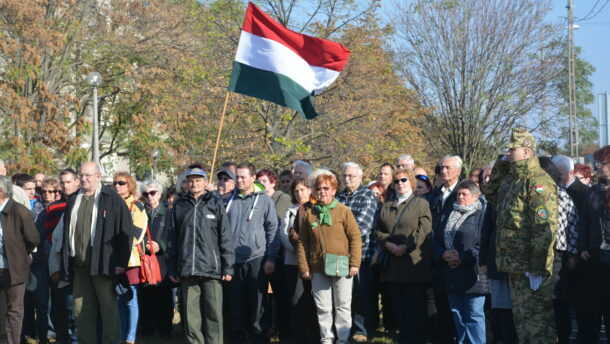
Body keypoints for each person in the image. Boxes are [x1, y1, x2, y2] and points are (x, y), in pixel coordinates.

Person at [485, 128, 558, 344]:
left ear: (526, 152)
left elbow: (544, 228)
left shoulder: (538, 182)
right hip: (514, 264)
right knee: (523, 325)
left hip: (530, 266)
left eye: (512, 150)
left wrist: (537, 267)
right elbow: (490, 194)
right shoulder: (511, 179)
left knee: (538, 327)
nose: (508, 153)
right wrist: (501, 163)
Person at [57, 162, 134, 344]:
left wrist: (121, 263)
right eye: (81, 175)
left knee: (108, 309)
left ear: (98, 176)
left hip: (103, 264)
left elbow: (126, 231)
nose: (84, 179)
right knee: (81, 310)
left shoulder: (111, 198)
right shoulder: (74, 199)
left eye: (88, 175)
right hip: (79, 265)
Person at [167, 167, 234, 344]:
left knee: (214, 314)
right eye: (191, 180)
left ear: (205, 182)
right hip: (187, 268)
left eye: (198, 180)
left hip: (212, 268)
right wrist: (173, 267)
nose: (194, 183)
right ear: (186, 183)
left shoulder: (215, 203)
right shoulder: (179, 205)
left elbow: (225, 236)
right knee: (190, 316)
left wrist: (228, 266)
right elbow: (172, 238)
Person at [296, 170, 362, 344]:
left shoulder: (344, 211)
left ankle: (343, 338)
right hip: (317, 267)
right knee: (323, 307)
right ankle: (326, 338)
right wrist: (304, 267)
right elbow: (303, 243)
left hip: (342, 266)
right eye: (319, 189)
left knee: (342, 305)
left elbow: (355, 237)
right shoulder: (310, 214)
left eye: (326, 188)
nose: (322, 192)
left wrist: (354, 263)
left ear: (334, 190)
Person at [373, 168, 432, 344]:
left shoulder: (421, 204)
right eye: (397, 181)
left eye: (404, 180)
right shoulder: (385, 206)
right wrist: (388, 244)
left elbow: (424, 230)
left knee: (414, 310)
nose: (400, 184)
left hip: (413, 265)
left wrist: (405, 247)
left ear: (412, 182)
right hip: (392, 266)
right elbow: (376, 230)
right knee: (398, 309)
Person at [225, 162, 279, 344]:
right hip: (232, 261)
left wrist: (271, 257)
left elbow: (272, 229)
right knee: (235, 304)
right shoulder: (228, 200)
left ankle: (258, 338)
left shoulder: (264, 200)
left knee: (257, 304)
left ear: (253, 178)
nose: (239, 180)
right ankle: (237, 338)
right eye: (237, 177)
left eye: (243, 177)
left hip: (257, 257)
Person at [432, 180, 487, 344]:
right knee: (458, 314)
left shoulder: (482, 214)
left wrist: (462, 257)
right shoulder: (448, 213)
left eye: (464, 194)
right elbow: (434, 238)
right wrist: (443, 254)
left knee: (474, 315)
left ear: (476, 196)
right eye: (458, 194)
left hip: (473, 274)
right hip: (451, 272)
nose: (460, 197)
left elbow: (483, 244)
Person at [336, 162, 377, 342]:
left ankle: (362, 330)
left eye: (350, 176)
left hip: (360, 254)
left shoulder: (367, 196)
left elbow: (361, 227)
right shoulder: (338, 197)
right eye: (344, 176)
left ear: (360, 177)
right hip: (338, 255)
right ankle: (346, 328)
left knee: (361, 294)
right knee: (343, 296)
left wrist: (337, 238)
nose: (347, 179)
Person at [426, 155, 463, 344]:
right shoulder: (434, 194)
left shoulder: (463, 192)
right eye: (441, 167)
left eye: (448, 167)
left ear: (458, 170)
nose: (443, 171)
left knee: (457, 309)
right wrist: (440, 252)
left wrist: (454, 254)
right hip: (437, 257)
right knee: (439, 306)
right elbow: (428, 228)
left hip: (458, 259)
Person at [479, 163, 517, 344]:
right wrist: (483, 262)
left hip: (517, 265)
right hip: (496, 263)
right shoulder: (494, 199)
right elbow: (486, 231)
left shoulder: (520, 192)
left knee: (515, 313)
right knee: (499, 311)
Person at [0, 175, 40, 344]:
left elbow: (33, 239)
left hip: (14, 269)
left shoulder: (19, 211)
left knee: (14, 310)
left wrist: (20, 255)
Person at [577, 146, 610, 343]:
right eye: (597, 162)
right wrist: (582, 248)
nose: (598, 167)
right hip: (594, 257)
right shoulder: (593, 192)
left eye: (603, 163)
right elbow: (584, 222)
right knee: (595, 308)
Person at [279, 177, 318, 344]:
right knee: (296, 301)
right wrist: (296, 250)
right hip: (293, 262)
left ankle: (314, 337)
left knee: (314, 302)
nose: (300, 193)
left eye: (303, 189)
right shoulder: (290, 210)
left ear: (310, 190)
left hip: (314, 264)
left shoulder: (317, 209)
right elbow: (284, 234)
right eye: (296, 191)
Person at [256, 169, 292, 341]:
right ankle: (267, 329)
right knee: (262, 297)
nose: (261, 184)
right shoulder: (256, 198)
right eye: (258, 181)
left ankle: (284, 331)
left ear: (272, 182)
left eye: (264, 181)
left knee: (280, 297)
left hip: (278, 253)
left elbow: (276, 220)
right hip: (259, 252)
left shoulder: (282, 198)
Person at [24, 177, 60, 344]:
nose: (47, 194)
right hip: (40, 261)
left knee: (58, 300)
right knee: (41, 300)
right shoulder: (36, 210)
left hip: (58, 260)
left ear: (56, 192)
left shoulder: (62, 208)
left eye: (51, 191)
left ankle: (55, 332)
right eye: (44, 191)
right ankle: (44, 334)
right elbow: (33, 236)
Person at [113, 172, 148, 344]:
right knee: (119, 299)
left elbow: (136, 235)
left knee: (130, 300)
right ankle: (121, 334)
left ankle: (130, 338)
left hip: (131, 260)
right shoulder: (110, 204)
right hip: (113, 260)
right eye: (116, 183)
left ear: (130, 185)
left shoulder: (137, 206)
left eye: (122, 183)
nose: (117, 186)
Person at [48, 168, 80, 344]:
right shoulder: (59, 205)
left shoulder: (82, 202)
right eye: (62, 182)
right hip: (61, 263)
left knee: (74, 308)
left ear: (77, 181)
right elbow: (54, 239)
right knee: (61, 308)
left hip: (77, 265)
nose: (65, 186)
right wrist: (54, 265)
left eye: (68, 182)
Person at [138, 179, 173, 338]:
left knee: (164, 297)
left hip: (163, 261)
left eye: (152, 193)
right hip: (145, 260)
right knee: (145, 297)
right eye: (146, 194)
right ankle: (147, 329)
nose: (149, 196)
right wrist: (145, 244)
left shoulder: (169, 212)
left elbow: (174, 235)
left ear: (159, 193)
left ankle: (165, 329)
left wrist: (161, 245)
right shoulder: (140, 212)